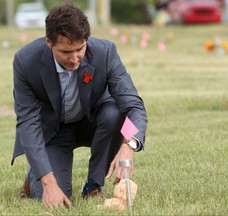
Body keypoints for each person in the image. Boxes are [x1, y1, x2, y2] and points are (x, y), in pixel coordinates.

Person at [11, 1, 148, 208]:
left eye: (80, 49)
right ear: (49, 42)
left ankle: (93, 186)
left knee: (114, 113)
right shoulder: (25, 61)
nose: (75, 59)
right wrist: (47, 181)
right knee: (56, 197)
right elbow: (28, 123)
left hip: (94, 124)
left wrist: (129, 144)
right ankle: (34, 176)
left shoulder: (106, 52)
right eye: (66, 52)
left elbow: (133, 107)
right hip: (53, 132)